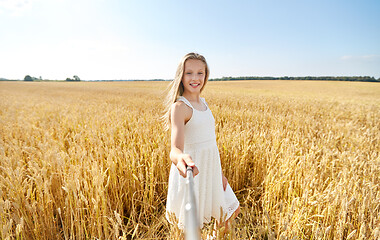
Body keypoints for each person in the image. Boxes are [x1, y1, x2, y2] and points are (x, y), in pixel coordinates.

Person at [163, 52, 240, 234]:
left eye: (200, 73)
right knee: (191, 228)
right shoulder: (180, 108)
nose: (195, 78)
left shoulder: (204, 104)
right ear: (181, 76)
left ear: (206, 75)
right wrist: (181, 158)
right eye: (189, 73)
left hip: (211, 171)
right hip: (193, 173)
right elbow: (174, 149)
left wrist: (219, 174)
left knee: (230, 211)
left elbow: (210, 145)